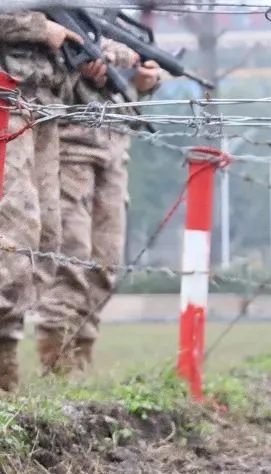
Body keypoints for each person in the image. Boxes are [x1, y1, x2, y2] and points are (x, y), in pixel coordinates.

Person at [36, 37, 163, 374]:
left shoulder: (111, 12)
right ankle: (57, 363)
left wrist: (144, 75)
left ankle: (81, 354)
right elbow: (35, 52)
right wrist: (98, 57)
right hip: (67, 140)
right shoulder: (51, 11)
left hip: (114, 143)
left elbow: (132, 64)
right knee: (70, 256)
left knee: (107, 261)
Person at [0, 10, 102, 392]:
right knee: (13, 238)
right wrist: (40, 28)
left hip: (42, 108)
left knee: (45, 240)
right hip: (6, 99)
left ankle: (9, 364)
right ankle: (4, 368)